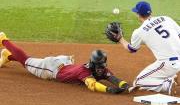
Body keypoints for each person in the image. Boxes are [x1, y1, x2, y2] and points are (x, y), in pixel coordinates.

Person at [0, 32, 129, 94]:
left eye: (102, 65)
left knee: (28, 60)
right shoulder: (84, 72)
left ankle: (8, 56)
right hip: (52, 68)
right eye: (99, 66)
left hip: (65, 62)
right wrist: (109, 89)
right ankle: (4, 40)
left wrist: (124, 85)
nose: (101, 69)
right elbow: (93, 85)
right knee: (26, 61)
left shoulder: (101, 67)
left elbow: (113, 78)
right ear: (93, 64)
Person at [109, 1, 180, 95]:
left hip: (168, 64)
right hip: (177, 60)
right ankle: (172, 75)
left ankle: (168, 84)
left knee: (138, 82)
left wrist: (120, 39)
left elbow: (131, 49)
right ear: (151, 12)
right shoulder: (166, 18)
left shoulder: (139, 32)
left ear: (138, 14)